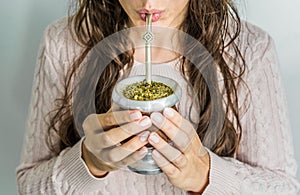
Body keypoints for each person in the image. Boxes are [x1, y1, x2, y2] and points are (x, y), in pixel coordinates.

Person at [16, 0, 300, 194]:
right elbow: (28, 185)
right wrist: (89, 162)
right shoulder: (64, 43)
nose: (148, 3)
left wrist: (204, 175)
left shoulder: (250, 52)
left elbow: (285, 188)